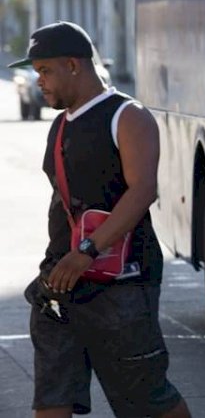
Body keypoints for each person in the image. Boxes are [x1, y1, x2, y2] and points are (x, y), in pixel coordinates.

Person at [9, 21, 192, 418]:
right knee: (52, 401)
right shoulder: (59, 124)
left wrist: (87, 251)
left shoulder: (128, 116)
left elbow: (143, 191)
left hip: (121, 286)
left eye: (45, 70)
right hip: (59, 285)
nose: (39, 81)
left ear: (73, 65)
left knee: (148, 401)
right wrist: (61, 263)